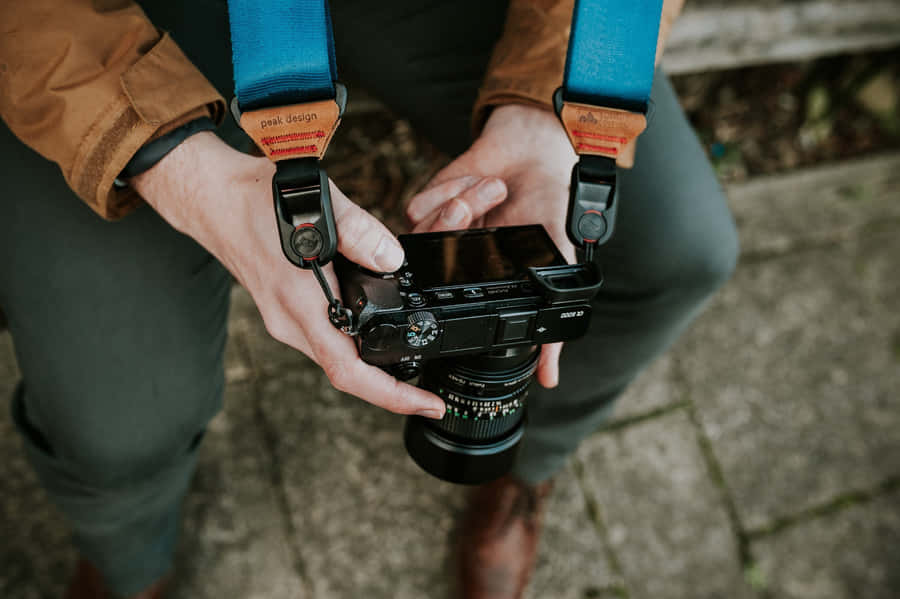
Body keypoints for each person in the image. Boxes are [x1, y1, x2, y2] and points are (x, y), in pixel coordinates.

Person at [0, 1, 738, 598]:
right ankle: (129, 563)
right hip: (117, 26)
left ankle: (524, 465)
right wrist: (177, 169)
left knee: (677, 250)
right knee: (119, 417)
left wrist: (546, 108)